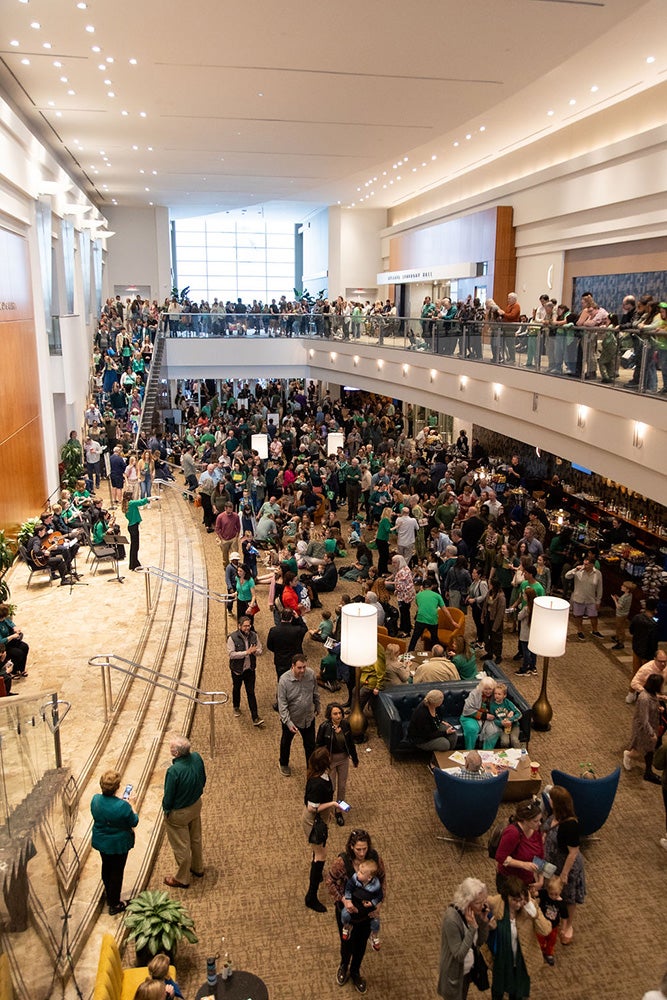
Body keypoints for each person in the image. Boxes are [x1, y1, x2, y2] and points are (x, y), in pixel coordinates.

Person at [326, 828, 387, 993]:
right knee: (346, 944)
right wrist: (343, 899)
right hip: (347, 913)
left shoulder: (374, 860)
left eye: (364, 849)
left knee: (360, 945)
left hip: (366, 914)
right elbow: (330, 881)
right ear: (351, 847)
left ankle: (355, 972)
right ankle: (344, 965)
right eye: (358, 849)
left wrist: (379, 903)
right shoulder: (342, 862)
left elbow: (382, 880)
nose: (362, 853)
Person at [485, 876, 551, 1000]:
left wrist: (532, 911)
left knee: (517, 993)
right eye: (514, 900)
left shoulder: (530, 907)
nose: (518, 904)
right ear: (506, 896)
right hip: (502, 960)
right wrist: (487, 925)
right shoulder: (498, 902)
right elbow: (480, 902)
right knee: (498, 990)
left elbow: (546, 930)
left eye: (520, 900)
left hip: (521, 961)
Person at [90, 769, 139, 915]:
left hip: (102, 841)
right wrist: (132, 805)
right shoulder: (123, 806)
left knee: (106, 866)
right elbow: (134, 821)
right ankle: (115, 904)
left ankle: (108, 892)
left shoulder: (95, 799)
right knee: (117, 872)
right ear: (117, 787)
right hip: (118, 844)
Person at [437, 877, 493, 1000]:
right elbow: (459, 955)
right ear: (467, 902)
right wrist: (472, 928)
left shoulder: (474, 913)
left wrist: (483, 922)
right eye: (478, 903)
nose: (482, 906)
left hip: (467, 972)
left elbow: (480, 942)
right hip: (454, 974)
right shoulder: (451, 919)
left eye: (483, 901)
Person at [302, 747, 344, 913]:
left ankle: (317, 873)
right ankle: (311, 897)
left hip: (320, 819)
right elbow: (312, 808)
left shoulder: (320, 775)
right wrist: (332, 804)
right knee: (321, 854)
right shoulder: (317, 782)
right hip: (313, 821)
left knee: (318, 850)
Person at [543, 786, 586, 944]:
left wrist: (564, 874)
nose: (549, 800)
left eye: (551, 799)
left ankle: (568, 925)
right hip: (551, 861)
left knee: (568, 896)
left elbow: (573, 852)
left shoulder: (570, 825)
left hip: (566, 865)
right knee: (550, 890)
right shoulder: (554, 815)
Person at [162, 735, 206, 889]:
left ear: (176, 753)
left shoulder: (174, 771)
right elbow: (203, 779)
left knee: (181, 845)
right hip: (196, 804)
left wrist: (166, 810)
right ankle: (198, 867)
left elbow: (169, 796)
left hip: (179, 813)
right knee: (195, 837)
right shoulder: (197, 758)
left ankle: (182, 878)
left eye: (171, 747)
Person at [316, 702, 358, 826]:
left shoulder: (345, 725)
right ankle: (326, 809)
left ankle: (339, 811)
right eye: (335, 714)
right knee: (331, 787)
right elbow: (318, 745)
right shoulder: (324, 727)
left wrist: (355, 758)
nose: (338, 716)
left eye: (340, 713)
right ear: (330, 715)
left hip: (343, 759)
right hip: (330, 761)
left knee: (342, 786)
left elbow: (350, 743)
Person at [277, 654, 320, 777]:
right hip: (291, 719)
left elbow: (315, 692)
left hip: (308, 718)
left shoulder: (310, 674)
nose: (302, 670)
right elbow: (282, 704)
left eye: (304, 667)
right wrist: (288, 722)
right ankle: (283, 763)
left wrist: (317, 705)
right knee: (286, 742)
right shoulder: (284, 680)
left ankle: (310, 769)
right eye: (299, 668)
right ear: (293, 666)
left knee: (310, 745)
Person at [495, 798, 544, 891]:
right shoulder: (513, 833)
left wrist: (541, 880)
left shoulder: (536, 830)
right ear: (525, 820)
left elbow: (540, 856)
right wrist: (523, 865)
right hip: (510, 881)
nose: (540, 823)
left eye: (540, 820)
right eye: (535, 821)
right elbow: (500, 857)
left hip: (527, 879)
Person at [623, 672, 663, 783]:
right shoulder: (644, 698)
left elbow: (652, 705)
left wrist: (658, 708)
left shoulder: (652, 694)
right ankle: (628, 754)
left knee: (649, 750)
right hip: (643, 728)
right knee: (640, 750)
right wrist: (651, 733)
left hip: (652, 725)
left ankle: (648, 772)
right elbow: (644, 719)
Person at [226, 615, 264, 727]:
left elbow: (260, 649)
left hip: (250, 669)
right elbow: (231, 654)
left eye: (249, 625)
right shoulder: (232, 638)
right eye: (245, 626)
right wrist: (246, 652)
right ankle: (236, 706)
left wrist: (255, 651)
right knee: (236, 688)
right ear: (239, 626)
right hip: (237, 670)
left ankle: (255, 717)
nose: (247, 628)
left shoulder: (254, 636)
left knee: (251, 692)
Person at [341, 860, 383, 951]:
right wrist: (348, 901)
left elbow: (380, 896)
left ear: (369, 877)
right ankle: (347, 926)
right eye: (358, 871)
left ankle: (374, 935)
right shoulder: (355, 878)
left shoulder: (376, 885)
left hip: (367, 906)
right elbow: (348, 889)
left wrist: (372, 903)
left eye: (361, 873)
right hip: (354, 902)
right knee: (344, 914)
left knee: (375, 920)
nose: (358, 873)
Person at [564, 556, 603, 640]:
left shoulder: (598, 573)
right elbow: (567, 576)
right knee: (579, 616)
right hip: (579, 597)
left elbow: (600, 588)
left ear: (592, 565)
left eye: (587, 564)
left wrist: (598, 600)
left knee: (593, 616)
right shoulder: (578, 571)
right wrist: (575, 570)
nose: (585, 566)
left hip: (591, 599)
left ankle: (595, 630)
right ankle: (580, 631)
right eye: (584, 564)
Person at [536, 875, 567, 965]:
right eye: (551, 894)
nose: (553, 896)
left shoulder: (561, 903)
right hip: (542, 923)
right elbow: (536, 894)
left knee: (551, 941)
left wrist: (563, 929)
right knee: (540, 939)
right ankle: (540, 951)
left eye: (556, 894)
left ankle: (549, 953)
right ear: (547, 891)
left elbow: (564, 917)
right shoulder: (544, 894)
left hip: (553, 926)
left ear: (560, 891)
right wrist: (533, 891)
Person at [460, 676, 497, 749]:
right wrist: (484, 716)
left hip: (489, 719)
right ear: (482, 688)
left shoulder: (496, 694)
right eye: (486, 689)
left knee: (494, 730)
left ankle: (487, 753)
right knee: (472, 729)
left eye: (490, 689)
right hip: (470, 717)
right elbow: (467, 710)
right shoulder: (474, 693)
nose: (488, 691)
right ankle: (469, 752)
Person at [124, 494, 155, 571]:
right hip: (133, 527)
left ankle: (133, 563)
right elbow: (141, 501)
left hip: (132, 526)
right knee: (135, 547)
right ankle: (134, 564)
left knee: (134, 547)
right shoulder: (131, 503)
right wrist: (152, 498)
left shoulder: (127, 504)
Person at [630, 598, 660, 673]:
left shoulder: (637, 617)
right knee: (646, 674)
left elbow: (631, 631)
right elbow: (653, 643)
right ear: (655, 609)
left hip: (636, 649)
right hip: (647, 654)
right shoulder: (653, 625)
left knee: (636, 673)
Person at [488, 683, 522, 749]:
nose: (496, 696)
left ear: (504, 695)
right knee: (505, 742)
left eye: (499, 694)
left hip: (514, 726)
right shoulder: (492, 705)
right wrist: (501, 723)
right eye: (495, 693)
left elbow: (519, 714)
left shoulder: (508, 703)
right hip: (502, 728)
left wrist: (510, 720)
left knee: (514, 740)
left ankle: (518, 753)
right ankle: (505, 754)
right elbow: (493, 719)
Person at [0, 604, 29, 677]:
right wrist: (12, 636)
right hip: (3, 646)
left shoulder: (4, 619)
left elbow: (10, 623)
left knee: (25, 647)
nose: (5, 618)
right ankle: (13, 671)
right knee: (18, 653)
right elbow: (1, 641)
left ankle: (21, 669)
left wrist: (15, 628)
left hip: (11, 641)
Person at [611, 579, 635, 650]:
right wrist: (619, 598)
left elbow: (618, 606)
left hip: (620, 614)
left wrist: (615, 599)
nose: (621, 586)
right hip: (625, 613)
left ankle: (620, 642)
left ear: (627, 589)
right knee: (620, 626)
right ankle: (617, 637)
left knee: (620, 627)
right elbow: (623, 603)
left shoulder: (624, 597)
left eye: (623, 586)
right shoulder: (629, 595)